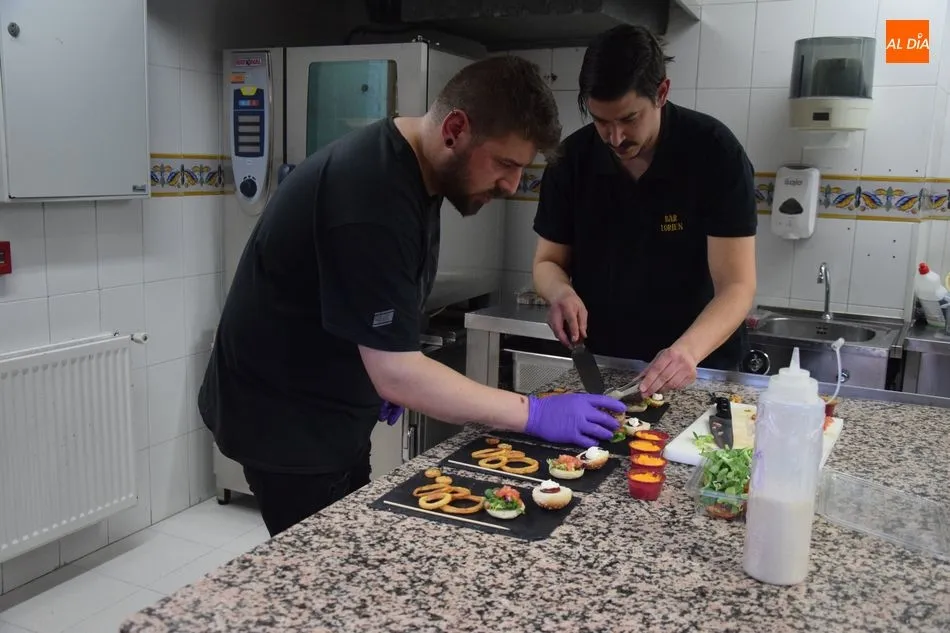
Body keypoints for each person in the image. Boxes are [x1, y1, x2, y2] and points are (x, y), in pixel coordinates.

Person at [198, 55, 625, 537]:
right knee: (324, 561)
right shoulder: (371, 193)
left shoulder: (414, 172)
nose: (510, 185)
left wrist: (381, 364)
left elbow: (373, 300)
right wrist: (533, 413)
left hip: (333, 396)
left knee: (354, 540)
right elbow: (398, 373)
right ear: (455, 129)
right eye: (506, 164)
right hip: (284, 417)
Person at [532, 25, 757, 398]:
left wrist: (687, 351)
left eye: (629, 118)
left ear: (662, 93)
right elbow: (547, 262)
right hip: (605, 364)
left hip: (698, 366)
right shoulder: (570, 161)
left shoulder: (715, 152)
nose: (615, 137)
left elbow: (737, 286)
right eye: (601, 121)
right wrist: (559, 292)